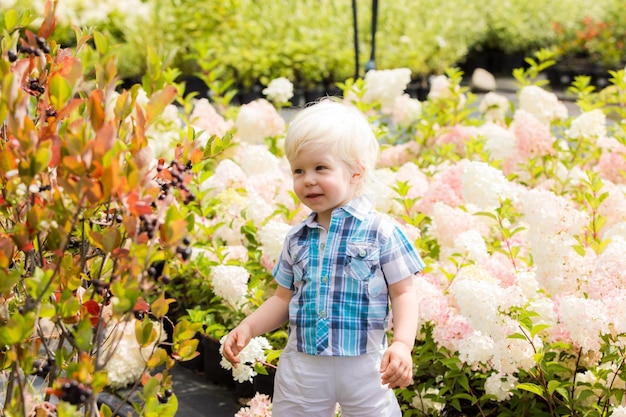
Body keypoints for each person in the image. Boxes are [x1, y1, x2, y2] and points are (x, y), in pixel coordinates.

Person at [222, 98, 425, 416]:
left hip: (365, 363)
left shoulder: (380, 231)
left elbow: (404, 293)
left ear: (356, 172)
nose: (308, 179)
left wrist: (402, 344)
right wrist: (248, 327)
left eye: (321, 168)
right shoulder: (297, 237)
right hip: (304, 366)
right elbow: (282, 300)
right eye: (298, 170)